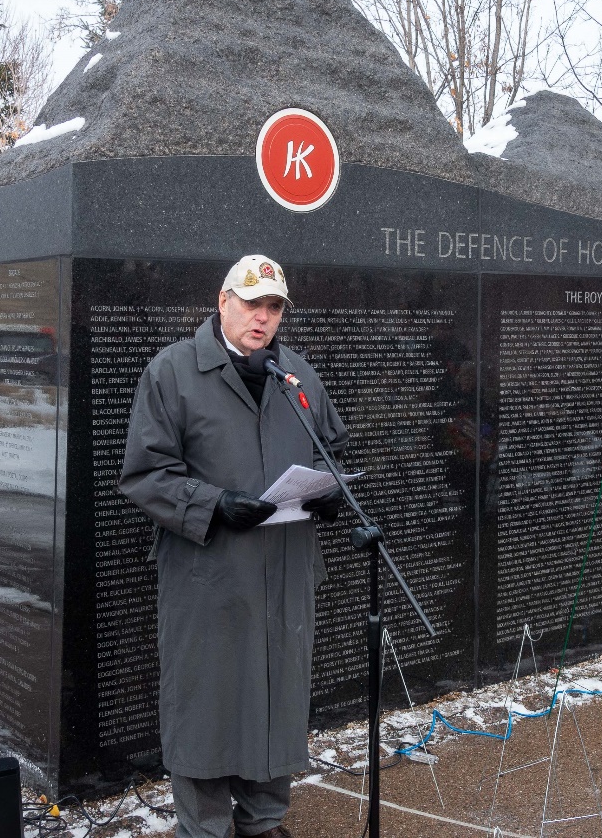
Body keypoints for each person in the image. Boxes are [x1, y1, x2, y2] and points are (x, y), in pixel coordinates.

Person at [120, 255, 348, 838]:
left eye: (273, 307)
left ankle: (265, 820)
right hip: (211, 575)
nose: (262, 317)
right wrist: (214, 504)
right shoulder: (171, 373)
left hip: (287, 571)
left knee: (277, 698)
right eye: (251, 303)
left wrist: (330, 493)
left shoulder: (296, 375)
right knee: (206, 706)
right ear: (223, 302)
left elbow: (332, 450)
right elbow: (146, 475)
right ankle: (206, 828)